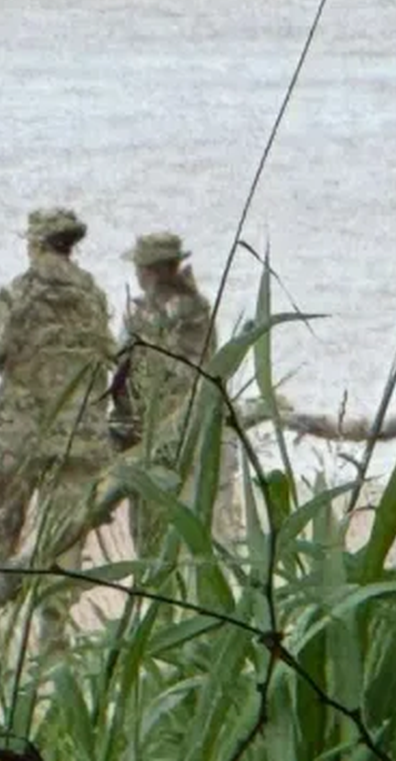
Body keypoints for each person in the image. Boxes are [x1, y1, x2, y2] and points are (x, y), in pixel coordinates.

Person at [0, 207, 117, 653]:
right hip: (79, 433)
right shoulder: (94, 295)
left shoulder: (18, 293)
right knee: (63, 534)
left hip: (22, 429)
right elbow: (109, 353)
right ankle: (53, 636)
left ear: (35, 243)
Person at [112, 231, 240, 554]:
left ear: (150, 271)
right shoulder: (198, 309)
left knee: (151, 527)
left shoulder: (146, 316)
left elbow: (122, 367)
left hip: (159, 431)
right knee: (203, 521)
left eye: (140, 269)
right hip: (202, 426)